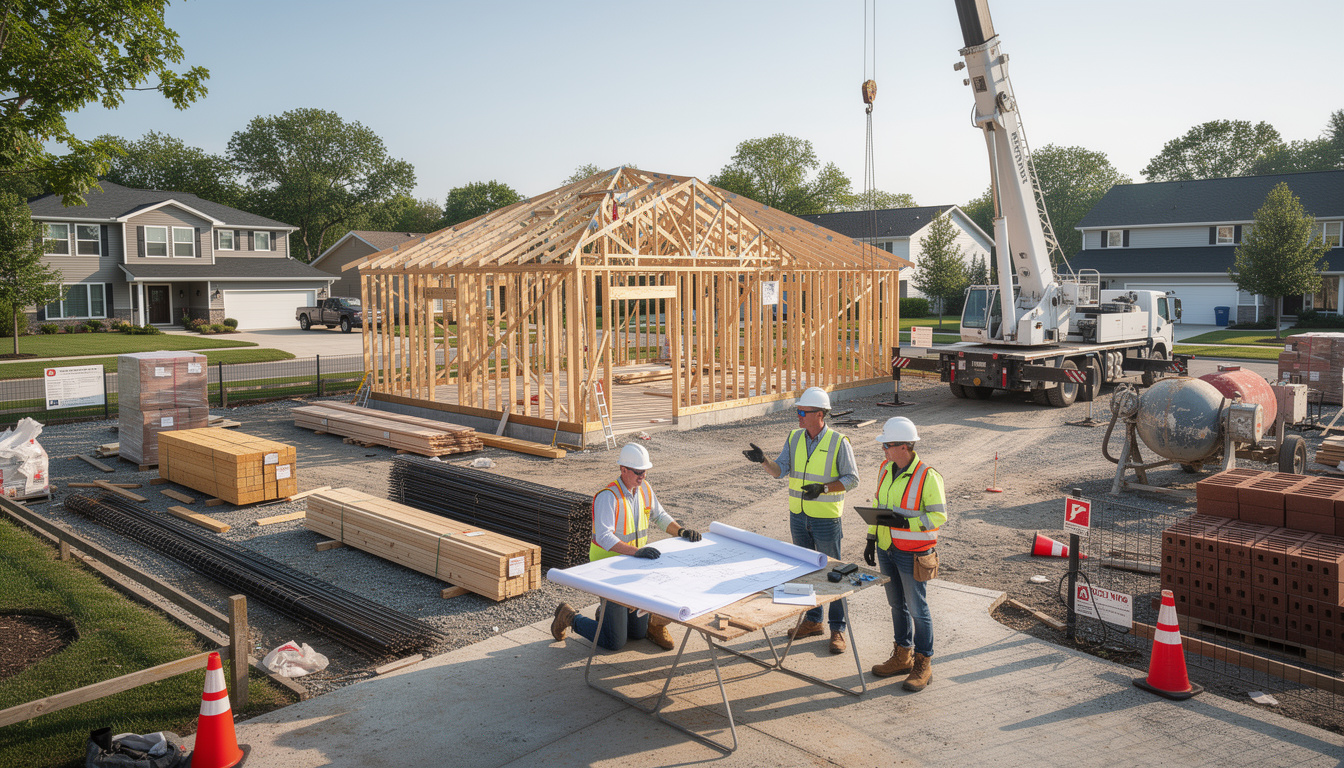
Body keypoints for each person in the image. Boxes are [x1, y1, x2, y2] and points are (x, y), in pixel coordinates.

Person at [551, 443, 702, 651]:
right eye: (638, 472)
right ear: (623, 470)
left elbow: (660, 516)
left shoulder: (644, 490)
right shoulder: (608, 497)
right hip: (608, 573)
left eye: (645, 472)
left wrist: (682, 531)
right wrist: (636, 552)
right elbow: (604, 537)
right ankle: (568, 616)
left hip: (633, 568)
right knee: (614, 641)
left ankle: (606, 616)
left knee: (639, 633)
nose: (643, 477)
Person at [743, 386, 857, 654]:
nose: (799, 416)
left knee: (834, 576)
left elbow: (852, 479)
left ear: (819, 414)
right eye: (798, 411)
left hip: (826, 520)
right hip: (799, 517)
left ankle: (837, 629)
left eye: (803, 412)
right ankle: (813, 620)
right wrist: (763, 461)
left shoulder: (839, 442)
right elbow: (779, 471)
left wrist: (824, 488)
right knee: (805, 571)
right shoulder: (794, 438)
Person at [863, 416, 946, 692]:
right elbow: (878, 503)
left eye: (887, 445)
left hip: (912, 552)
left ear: (904, 446)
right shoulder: (886, 468)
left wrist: (907, 523)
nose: (883, 450)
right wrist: (871, 538)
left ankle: (924, 662)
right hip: (888, 548)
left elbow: (938, 516)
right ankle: (903, 655)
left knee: (917, 609)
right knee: (896, 605)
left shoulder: (927, 475)